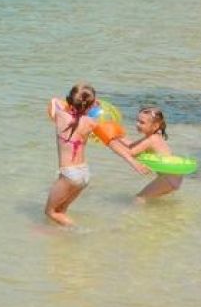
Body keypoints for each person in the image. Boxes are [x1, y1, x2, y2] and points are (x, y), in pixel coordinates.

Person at [44, 82, 147, 227]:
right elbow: (112, 143)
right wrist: (133, 162)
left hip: (69, 175)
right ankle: (59, 236)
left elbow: (54, 101)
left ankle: (78, 232)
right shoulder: (91, 123)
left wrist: (83, 103)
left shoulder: (61, 116)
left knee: (51, 212)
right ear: (92, 105)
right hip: (83, 174)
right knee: (62, 210)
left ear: (70, 100)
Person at [125, 107, 183, 201]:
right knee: (151, 199)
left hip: (168, 179)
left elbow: (131, 152)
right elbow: (131, 146)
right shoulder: (153, 137)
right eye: (137, 121)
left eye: (142, 122)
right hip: (174, 178)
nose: (137, 124)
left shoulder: (151, 140)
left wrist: (109, 141)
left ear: (155, 126)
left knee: (139, 198)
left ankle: (137, 215)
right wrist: (116, 138)